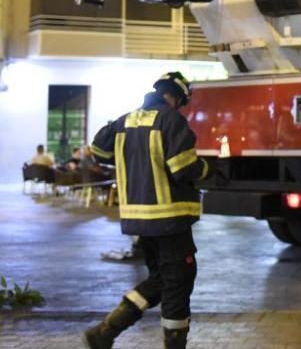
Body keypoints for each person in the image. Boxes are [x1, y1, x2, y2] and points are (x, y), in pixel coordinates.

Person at [84, 71, 210, 349]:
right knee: (178, 280)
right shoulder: (171, 119)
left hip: (138, 220)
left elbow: (97, 149)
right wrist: (208, 169)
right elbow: (183, 167)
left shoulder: (125, 120)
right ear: (176, 97)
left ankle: (105, 333)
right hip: (169, 218)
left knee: (160, 279)